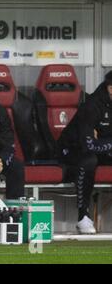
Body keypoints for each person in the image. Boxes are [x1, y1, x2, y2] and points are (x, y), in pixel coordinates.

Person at [58, 71, 112, 234]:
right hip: (71, 149)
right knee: (89, 160)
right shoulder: (92, 105)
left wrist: (103, 141)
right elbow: (88, 145)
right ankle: (83, 217)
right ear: (110, 88)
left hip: (99, 149)